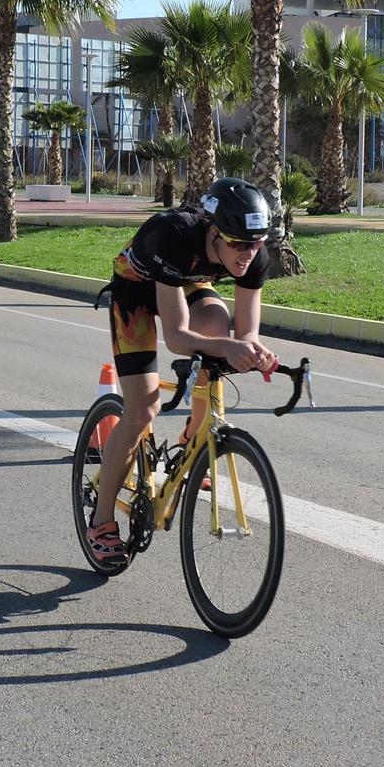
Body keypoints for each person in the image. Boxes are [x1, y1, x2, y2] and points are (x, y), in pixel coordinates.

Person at [85, 179, 281, 571]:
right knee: (142, 410)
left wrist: (254, 351)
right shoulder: (172, 235)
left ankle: (196, 435)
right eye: (239, 244)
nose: (247, 254)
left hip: (188, 282)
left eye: (255, 244)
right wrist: (228, 348)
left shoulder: (254, 254)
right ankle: (101, 521)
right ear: (214, 233)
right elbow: (176, 338)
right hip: (136, 290)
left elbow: (246, 332)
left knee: (217, 325)